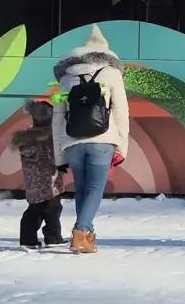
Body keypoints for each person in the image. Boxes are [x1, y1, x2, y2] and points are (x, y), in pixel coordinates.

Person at [52, 25, 131, 255]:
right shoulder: (111, 74)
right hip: (102, 140)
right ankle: (81, 231)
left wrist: (59, 156)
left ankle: (86, 237)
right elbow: (121, 112)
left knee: (83, 190)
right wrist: (122, 146)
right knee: (95, 188)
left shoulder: (67, 77)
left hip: (73, 141)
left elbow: (58, 118)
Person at [13, 98, 65, 249]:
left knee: (36, 210)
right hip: (49, 183)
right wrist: (64, 161)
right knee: (52, 210)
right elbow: (54, 158)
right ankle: (52, 238)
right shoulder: (48, 138)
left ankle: (30, 238)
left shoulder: (27, 139)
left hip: (33, 184)